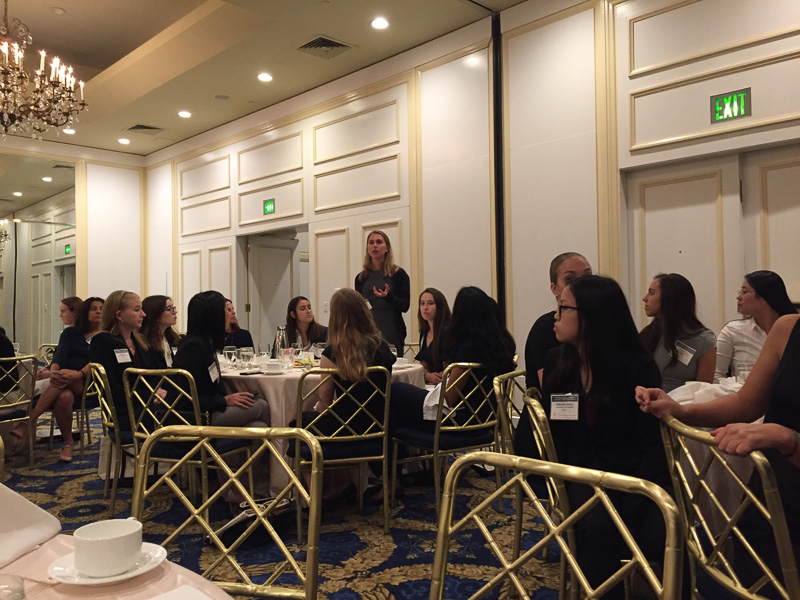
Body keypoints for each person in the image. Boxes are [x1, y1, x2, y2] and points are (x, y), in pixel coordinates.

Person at [518, 275, 667, 598]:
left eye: (563, 308)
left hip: (633, 476)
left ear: (591, 316)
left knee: (663, 531)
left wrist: (640, 493)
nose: (555, 316)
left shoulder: (637, 366)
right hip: (579, 474)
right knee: (597, 528)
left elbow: (650, 444)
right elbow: (555, 439)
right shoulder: (557, 361)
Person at [637, 311, 800, 590]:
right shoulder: (788, 328)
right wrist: (680, 410)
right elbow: (745, 403)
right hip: (771, 498)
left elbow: (782, 434)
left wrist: (789, 439)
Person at [391, 286, 516, 434]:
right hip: (489, 416)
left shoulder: (469, 349)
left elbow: (449, 398)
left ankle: (400, 452)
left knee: (396, 390)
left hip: (462, 420)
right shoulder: (502, 344)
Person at [11, 297, 104, 462]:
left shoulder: (106, 337)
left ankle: (29, 420)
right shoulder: (70, 333)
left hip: (91, 385)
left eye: (101, 309)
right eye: (93, 308)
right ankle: (68, 443)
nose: (98, 311)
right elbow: (59, 357)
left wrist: (78, 374)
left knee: (66, 376)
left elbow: (96, 361)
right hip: (66, 383)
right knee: (64, 396)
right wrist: (54, 371)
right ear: (84, 312)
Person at [173, 291, 269, 429]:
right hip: (195, 416)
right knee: (262, 405)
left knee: (259, 426)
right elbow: (184, 398)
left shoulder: (206, 343)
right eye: (225, 310)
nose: (230, 314)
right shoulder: (194, 347)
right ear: (213, 315)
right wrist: (223, 400)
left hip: (208, 409)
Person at [88, 291, 161, 431]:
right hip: (124, 412)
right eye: (137, 309)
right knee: (185, 417)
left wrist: (159, 391)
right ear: (119, 315)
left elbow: (152, 374)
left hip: (147, 404)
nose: (143, 314)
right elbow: (113, 388)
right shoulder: (103, 341)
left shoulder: (140, 341)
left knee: (188, 410)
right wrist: (151, 395)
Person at [524, 252, 592, 390]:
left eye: (587, 276)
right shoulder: (546, 327)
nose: (580, 284)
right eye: (570, 279)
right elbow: (552, 391)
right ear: (554, 288)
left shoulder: (599, 322)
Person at [640, 273, 716, 392]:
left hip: (680, 406)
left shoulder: (704, 340)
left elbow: (703, 392)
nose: (645, 298)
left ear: (669, 297)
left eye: (651, 292)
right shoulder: (648, 334)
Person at [715, 270, 796, 382]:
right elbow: (716, 377)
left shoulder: (793, 329)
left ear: (764, 296)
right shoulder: (733, 331)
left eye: (744, 292)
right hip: (742, 395)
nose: (738, 297)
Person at [353, 230, 410, 354]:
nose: (375, 246)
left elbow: (405, 305)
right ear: (367, 248)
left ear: (387, 248)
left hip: (392, 328)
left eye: (379, 242)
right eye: (371, 243)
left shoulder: (398, 274)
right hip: (368, 330)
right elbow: (360, 306)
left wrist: (388, 297)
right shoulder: (361, 278)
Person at [415, 288, 451, 385]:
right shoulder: (424, 333)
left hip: (444, 384)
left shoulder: (447, 332)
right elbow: (423, 365)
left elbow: (449, 369)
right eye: (422, 304)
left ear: (440, 307)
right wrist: (426, 375)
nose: (425, 307)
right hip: (429, 384)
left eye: (430, 303)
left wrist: (435, 377)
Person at [141, 295, 181, 368]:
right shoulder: (144, 342)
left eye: (173, 308)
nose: (175, 312)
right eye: (169, 309)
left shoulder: (173, 338)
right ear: (155, 315)